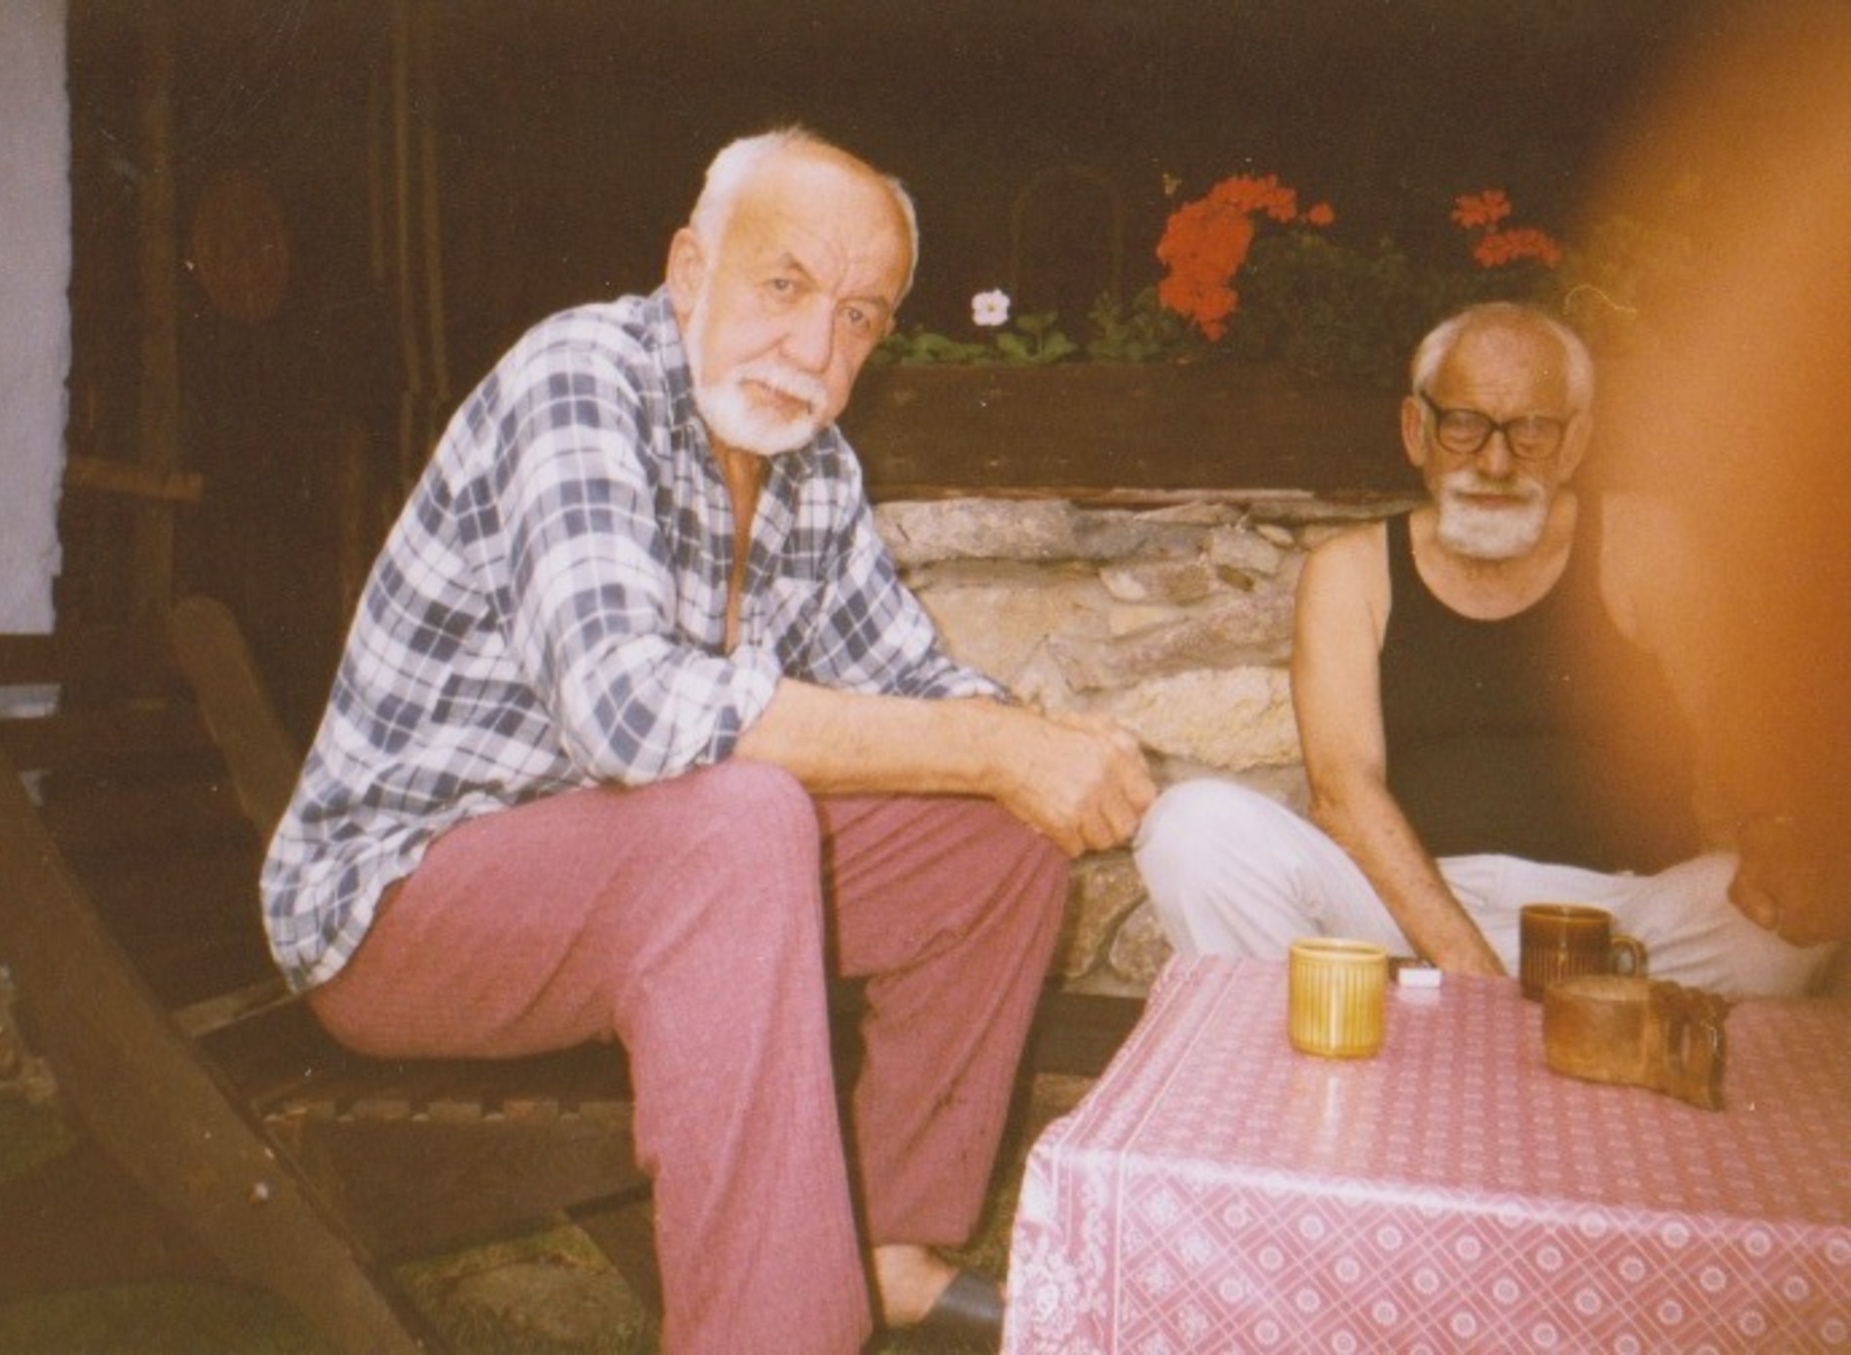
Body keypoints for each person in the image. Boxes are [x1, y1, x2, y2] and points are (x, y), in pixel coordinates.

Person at [261, 127, 1155, 1353]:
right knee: (741, 816)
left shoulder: (810, 467)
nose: (814, 348)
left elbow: (917, 680)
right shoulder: (578, 376)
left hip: (613, 888)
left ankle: (889, 1244)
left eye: (857, 316)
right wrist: (996, 746)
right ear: (690, 270)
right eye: (784, 284)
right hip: (398, 908)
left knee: (991, 837)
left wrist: (1044, 749)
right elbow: (626, 708)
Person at [1134, 301, 1843, 998]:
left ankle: (1451, 1030)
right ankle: (1423, 1033)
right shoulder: (1351, 571)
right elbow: (1343, 793)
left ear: (1574, 442)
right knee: (1194, 829)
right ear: (1416, 431)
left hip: (1627, 924)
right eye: (1466, 425)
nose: (1496, 461)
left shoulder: (1642, 546)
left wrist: (1774, 830)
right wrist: (1475, 976)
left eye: (1531, 430)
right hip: (1410, 916)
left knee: (1791, 905)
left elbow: (1736, 724)